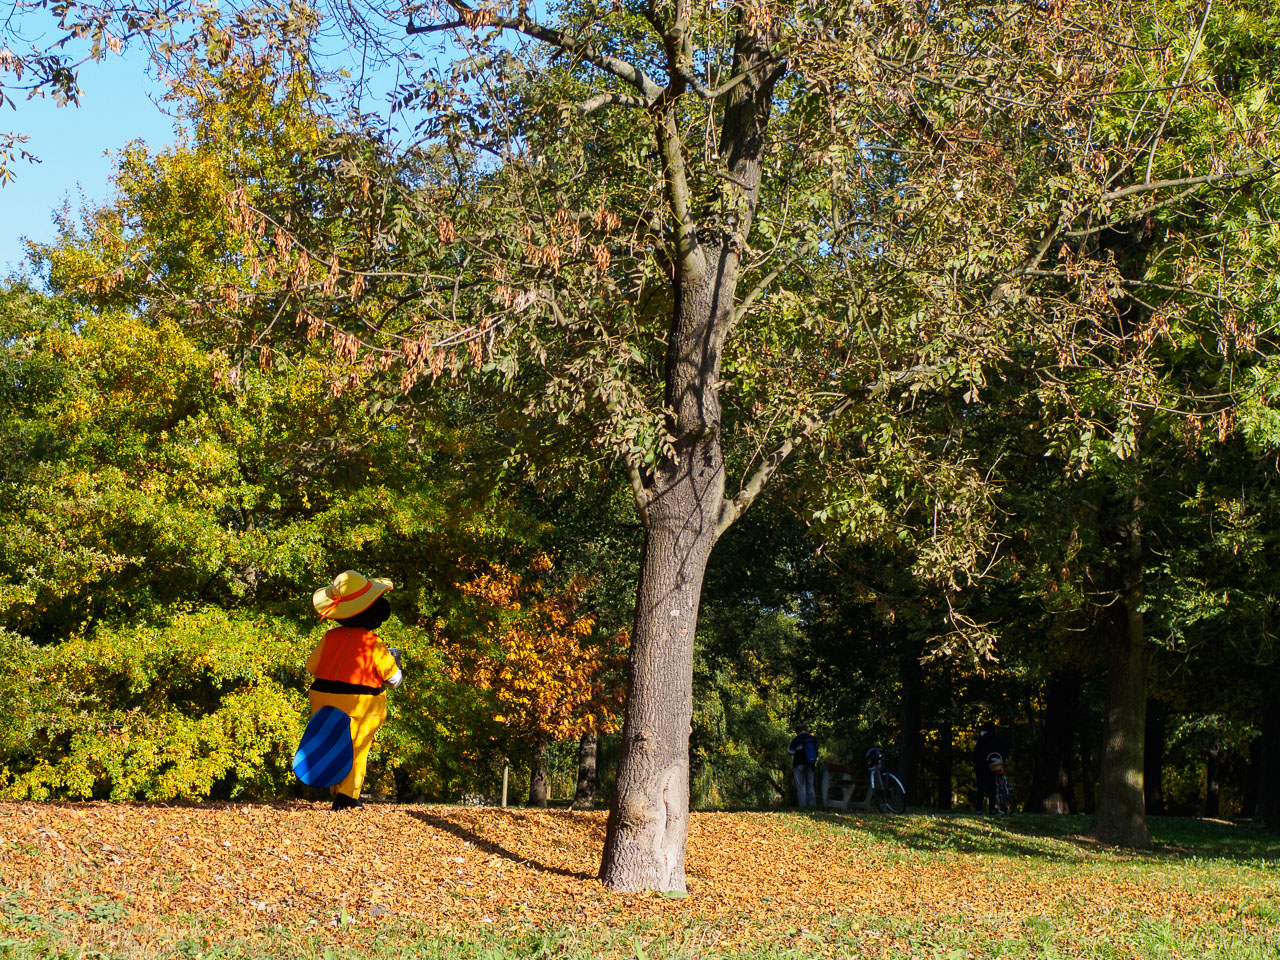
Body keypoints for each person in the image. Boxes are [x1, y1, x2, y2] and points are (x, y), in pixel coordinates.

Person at [306, 570, 404, 811]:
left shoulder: (329, 637)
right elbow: (393, 679)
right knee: (358, 746)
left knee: (333, 741)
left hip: (323, 697)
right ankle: (348, 797)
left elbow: (311, 667)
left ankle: (335, 786)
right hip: (361, 701)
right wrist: (397, 667)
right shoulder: (373, 643)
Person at [973, 725, 1012, 814]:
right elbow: (1006, 750)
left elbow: (975, 754)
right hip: (994, 766)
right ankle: (992, 808)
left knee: (981, 788)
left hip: (982, 768)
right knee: (992, 789)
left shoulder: (981, 741)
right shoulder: (998, 740)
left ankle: (979, 809)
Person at [788, 724, 819, 808]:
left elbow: (790, 752)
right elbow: (816, 751)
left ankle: (802, 806)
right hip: (810, 764)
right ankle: (812, 805)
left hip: (798, 764)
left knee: (800, 786)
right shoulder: (813, 739)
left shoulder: (797, 739)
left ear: (797, 731)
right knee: (810, 785)